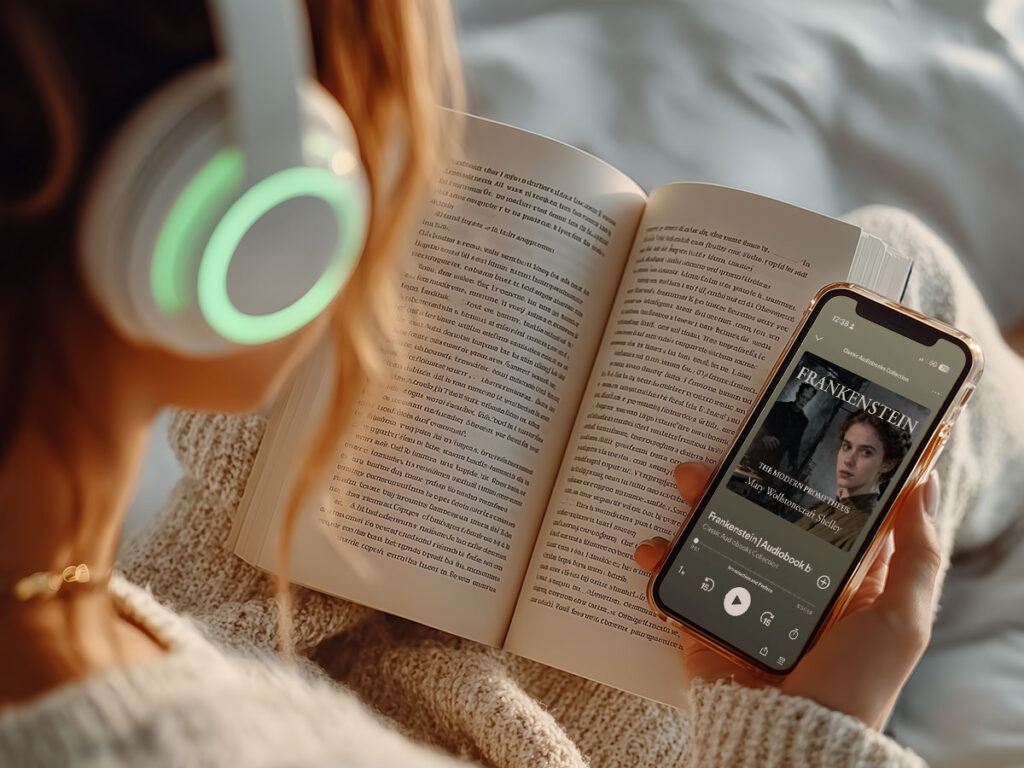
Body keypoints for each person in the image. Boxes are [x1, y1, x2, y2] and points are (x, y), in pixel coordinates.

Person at [3, 3, 1024, 768]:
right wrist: (809, 738)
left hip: (330, 631)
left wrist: (267, 462)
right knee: (900, 290)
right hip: (598, 718)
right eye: (362, 146)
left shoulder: (49, 589)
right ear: (261, 222)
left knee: (869, 289)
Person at [793, 411, 912, 551]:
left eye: (866, 452)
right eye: (847, 446)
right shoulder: (820, 507)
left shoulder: (864, 531)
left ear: (887, 464)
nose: (848, 460)